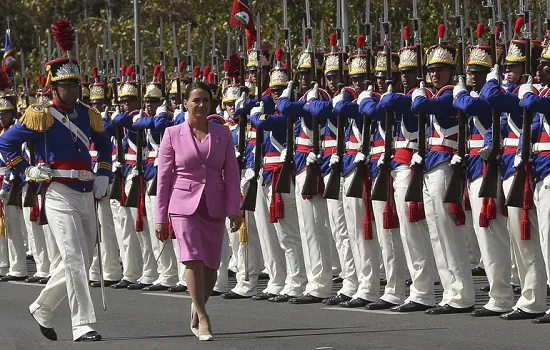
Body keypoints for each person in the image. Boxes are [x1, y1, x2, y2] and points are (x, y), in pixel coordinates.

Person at [0, 19, 111, 342]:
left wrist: (104, 172)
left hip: (86, 189)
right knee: (75, 258)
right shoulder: (41, 114)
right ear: (54, 87)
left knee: (85, 258)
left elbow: (103, 145)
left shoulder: (89, 114)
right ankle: (83, 324)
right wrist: (26, 170)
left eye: (76, 85)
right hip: (58, 190)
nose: (73, 90)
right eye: (67, 86)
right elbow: (6, 143)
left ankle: (43, 308)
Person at [155, 82, 241, 341]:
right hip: (183, 204)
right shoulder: (172, 133)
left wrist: (234, 208)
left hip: (214, 201)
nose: (201, 105)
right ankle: (203, 317)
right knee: (191, 257)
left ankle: (197, 307)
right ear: (185, 103)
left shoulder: (222, 133)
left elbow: (232, 172)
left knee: (212, 264)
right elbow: (164, 177)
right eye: (196, 100)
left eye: (206, 100)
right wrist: (161, 217)